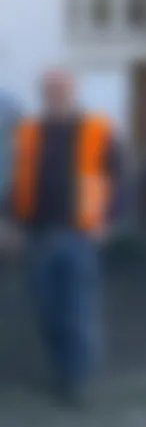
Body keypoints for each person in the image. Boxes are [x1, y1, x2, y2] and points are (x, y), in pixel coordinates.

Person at [8, 69, 117, 401]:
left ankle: (77, 381)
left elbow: (118, 177)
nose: (56, 93)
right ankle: (60, 370)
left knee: (78, 310)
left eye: (62, 88)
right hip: (37, 234)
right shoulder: (28, 132)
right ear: (43, 93)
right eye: (50, 89)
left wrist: (108, 220)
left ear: (73, 90)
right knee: (47, 310)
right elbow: (12, 179)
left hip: (79, 235)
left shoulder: (97, 130)